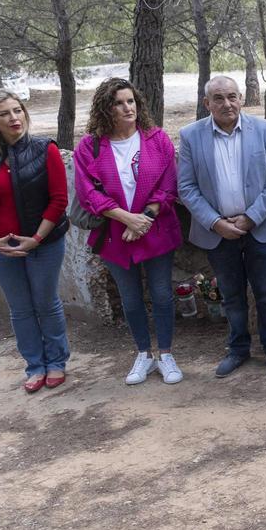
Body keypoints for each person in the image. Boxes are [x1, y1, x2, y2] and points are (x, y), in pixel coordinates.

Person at [73, 78, 183, 386]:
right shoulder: (89, 146)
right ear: (106, 109)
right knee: (130, 298)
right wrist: (127, 219)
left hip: (156, 228)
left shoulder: (156, 138)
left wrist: (144, 218)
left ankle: (166, 354)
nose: (127, 108)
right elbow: (88, 194)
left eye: (131, 101)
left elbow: (168, 185)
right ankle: (143, 354)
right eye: (119, 103)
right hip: (116, 234)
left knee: (161, 294)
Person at [178, 76, 266, 379]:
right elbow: (186, 187)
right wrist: (215, 223)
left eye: (232, 97)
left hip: (259, 227)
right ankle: (238, 349)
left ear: (240, 98)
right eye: (218, 98)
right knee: (231, 295)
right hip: (218, 232)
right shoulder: (190, 136)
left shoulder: (263, 129)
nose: (227, 104)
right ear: (206, 104)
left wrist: (251, 217)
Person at [0, 89, 71, 393]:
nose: (14, 118)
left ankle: (56, 363)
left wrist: (37, 238)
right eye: (4, 114)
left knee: (46, 303)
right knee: (21, 308)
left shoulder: (45, 149)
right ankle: (35, 366)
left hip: (44, 244)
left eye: (17, 111)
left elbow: (59, 200)